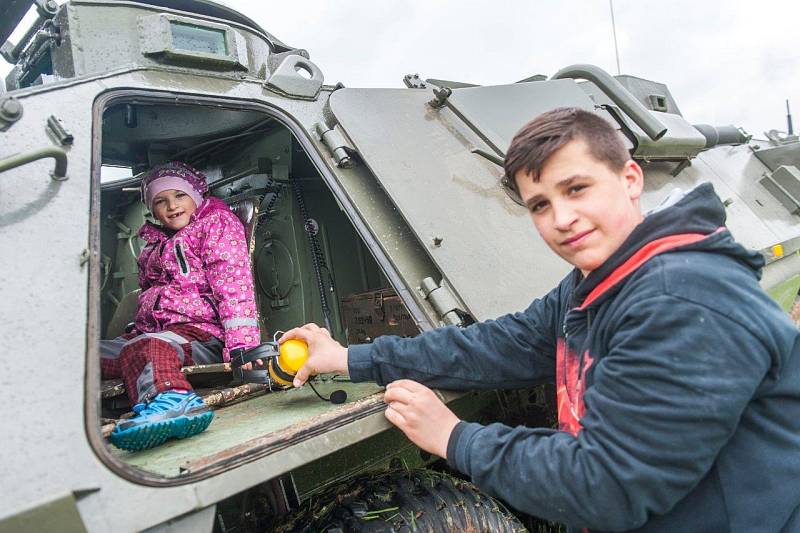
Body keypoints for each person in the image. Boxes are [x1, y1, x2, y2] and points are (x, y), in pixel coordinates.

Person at [279, 108, 800, 531]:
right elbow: (496, 345)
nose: (561, 220)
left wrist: (455, 437)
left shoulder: (682, 297)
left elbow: (610, 486)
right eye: (539, 205)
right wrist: (351, 357)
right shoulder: (597, 281)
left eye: (577, 189)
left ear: (631, 177)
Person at [101, 162, 261, 451]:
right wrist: (139, 328)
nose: (171, 206)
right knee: (86, 355)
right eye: (161, 201)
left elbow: (234, 286)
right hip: (157, 334)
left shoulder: (216, 225)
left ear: (196, 197)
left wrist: (243, 347)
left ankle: (173, 402)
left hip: (202, 334)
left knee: (148, 347)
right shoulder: (152, 244)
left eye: (179, 196)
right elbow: (150, 293)